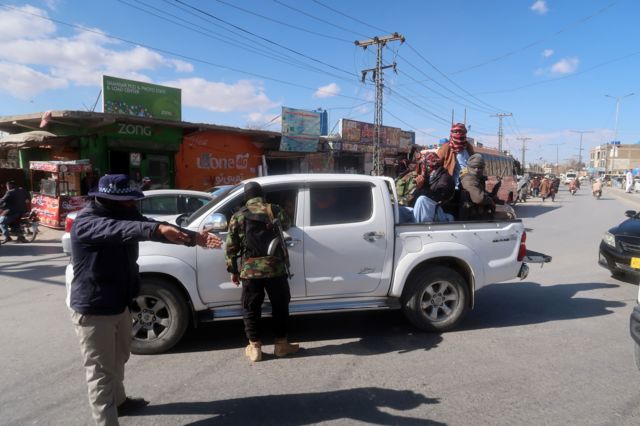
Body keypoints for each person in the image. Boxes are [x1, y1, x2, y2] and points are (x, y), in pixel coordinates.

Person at [68, 174, 222, 426]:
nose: (134, 206)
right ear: (109, 200)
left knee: (118, 359)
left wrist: (194, 238)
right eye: (129, 201)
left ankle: (120, 401)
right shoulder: (87, 222)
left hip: (120, 302)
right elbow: (123, 230)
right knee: (100, 372)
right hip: (94, 309)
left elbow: (152, 226)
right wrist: (154, 229)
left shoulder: (123, 214)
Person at [225, 182, 300, 362]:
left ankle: (255, 347)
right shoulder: (274, 209)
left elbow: (231, 248)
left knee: (250, 308)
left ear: (246, 196)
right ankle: (281, 345)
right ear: (262, 195)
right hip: (275, 268)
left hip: (250, 271)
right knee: (280, 306)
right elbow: (288, 224)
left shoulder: (238, 216)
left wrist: (233, 270)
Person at [397, 152, 455, 223]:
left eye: (423, 165)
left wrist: (421, 187)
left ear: (428, 166)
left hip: (437, 211)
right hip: (424, 211)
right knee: (399, 210)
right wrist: (417, 188)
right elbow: (414, 199)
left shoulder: (445, 178)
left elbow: (436, 198)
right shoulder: (429, 177)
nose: (422, 167)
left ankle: (415, 229)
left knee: (422, 200)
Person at [459, 154, 501, 220]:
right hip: (473, 215)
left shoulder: (475, 178)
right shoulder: (469, 179)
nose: (476, 170)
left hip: (477, 212)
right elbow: (479, 199)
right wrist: (491, 201)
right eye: (474, 167)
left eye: (479, 167)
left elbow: (480, 188)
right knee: (509, 215)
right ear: (469, 167)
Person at [437, 123, 475, 188]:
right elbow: (436, 164)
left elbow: (474, 162)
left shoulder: (468, 147)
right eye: (456, 132)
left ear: (464, 133)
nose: (458, 134)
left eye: (460, 132)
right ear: (452, 133)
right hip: (451, 184)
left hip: (468, 182)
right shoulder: (445, 148)